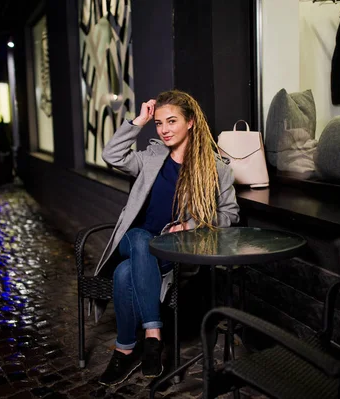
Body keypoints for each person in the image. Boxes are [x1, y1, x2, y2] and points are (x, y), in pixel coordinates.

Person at [95, 89, 240, 386]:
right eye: (159, 123)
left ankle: (124, 351)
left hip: (169, 252)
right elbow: (111, 155)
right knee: (137, 238)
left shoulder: (216, 168)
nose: (163, 130)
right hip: (132, 241)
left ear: (190, 122)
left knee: (124, 275)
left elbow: (231, 215)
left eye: (171, 121)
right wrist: (138, 121)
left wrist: (190, 226)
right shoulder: (151, 156)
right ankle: (153, 334)